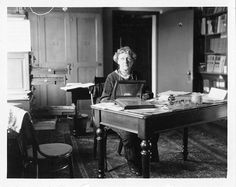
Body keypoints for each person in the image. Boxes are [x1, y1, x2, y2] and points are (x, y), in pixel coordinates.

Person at [100, 46, 158, 176]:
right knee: (129, 134)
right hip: (116, 116)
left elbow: (148, 92)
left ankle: (148, 158)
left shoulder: (137, 75)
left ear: (132, 61)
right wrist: (117, 102)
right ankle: (134, 163)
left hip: (135, 113)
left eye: (128, 59)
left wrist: (146, 95)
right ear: (117, 61)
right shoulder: (111, 77)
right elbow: (104, 99)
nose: (125, 62)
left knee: (153, 129)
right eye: (122, 59)